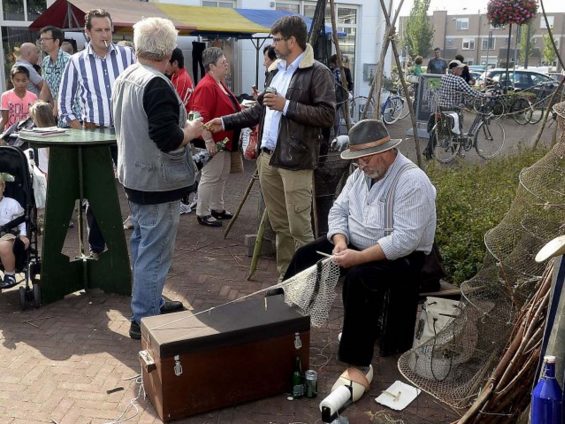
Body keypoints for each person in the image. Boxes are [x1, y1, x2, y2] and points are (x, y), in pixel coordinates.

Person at [283, 119, 437, 402]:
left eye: (364, 158)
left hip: (403, 256)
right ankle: (281, 322)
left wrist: (357, 258)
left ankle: (358, 362)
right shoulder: (360, 175)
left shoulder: (412, 181)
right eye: (356, 160)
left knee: (360, 280)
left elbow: (405, 240)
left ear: (386, 151)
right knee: (305, 256)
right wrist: (340, 242)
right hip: (354, 244)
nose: (360, 165)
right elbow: (338, 211)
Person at [207, 15, 335, 278]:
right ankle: (286, 278)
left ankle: (308, 285)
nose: (273, 44)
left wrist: (287, 105)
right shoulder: (276, 70)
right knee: (280, 226)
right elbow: (258, 112)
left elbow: (326, 115)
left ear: (292, 41)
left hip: (296, 161)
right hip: (268, 159)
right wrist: (224, 121)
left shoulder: (318, 72)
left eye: (277, 40)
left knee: (300, 229)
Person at [112, 16, 204, 340]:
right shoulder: (156, 83)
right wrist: (191, 130)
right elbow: (167, 137)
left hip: (134, 175)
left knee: (142, 246)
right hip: (155, 180)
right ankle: (145, 319)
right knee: (155, 250)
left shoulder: (126, 75)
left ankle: (146, 302)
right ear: (167, 49)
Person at [58, 8, 135, 257]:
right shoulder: (76, 62)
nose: (105, 34)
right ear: (87, 32)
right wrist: (82, 129)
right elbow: (65, 106)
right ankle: (98, 249)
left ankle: (141, 248)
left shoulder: (127, 55)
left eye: (108, 29)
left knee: (136, 188)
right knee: (98, 193)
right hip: (94, 138)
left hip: (125, 134)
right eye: (99, 30)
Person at [189, 47, 240, 227]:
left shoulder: (218, 82)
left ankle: (216, 207)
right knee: (211, 176)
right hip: (213, 140)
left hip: (223, 140)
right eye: (223, 63)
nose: (227, 65)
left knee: (221, 174)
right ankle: (202, 211)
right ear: (211, 66)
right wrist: (208, 139)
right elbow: (198, 116)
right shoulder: (206, 86)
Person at [424, 59, 487, 159]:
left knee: (439, 130)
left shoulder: (444, 77)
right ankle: (457, 151)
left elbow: (437, 89)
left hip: (441, 107)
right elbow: (471, 92)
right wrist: (484, 95)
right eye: (460, 68)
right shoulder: (459, 80)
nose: (462, 69)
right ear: (454, 69)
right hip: (453, 109)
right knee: (458, 129)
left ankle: (428, 150)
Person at [38, 26, 79, 125]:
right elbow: (46, 87)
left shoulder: (68, 60)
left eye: (46, 39)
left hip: (75, 113)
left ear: (57, 41)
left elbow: (68, 87)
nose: (42, 42)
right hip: (60, 116)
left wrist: (57, 105)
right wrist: (38, 106)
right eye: (41, 39)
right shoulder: (45, 61)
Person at [0, 174, 30, 289]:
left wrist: (23, 235)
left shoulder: (12, 203)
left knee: (2, 245)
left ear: (3, 187)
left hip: (8, 234)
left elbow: (22, 220)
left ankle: (10, 274)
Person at [0, 66, 38, 131]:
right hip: (11, 135)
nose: (21, 83)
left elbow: (35, 118)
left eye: (24, 80)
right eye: (17, 80)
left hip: (28, 133)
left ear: (28, 80)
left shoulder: (33, 97)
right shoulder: (5, 96)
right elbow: (4, 119)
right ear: (12, 80)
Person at [166, 48, 194, 113]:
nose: (165, 67)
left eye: (167, 63)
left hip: (187, 118)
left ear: (175, 63)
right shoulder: (176, 75)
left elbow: (176, 106)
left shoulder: (181, 80)